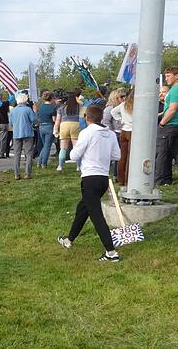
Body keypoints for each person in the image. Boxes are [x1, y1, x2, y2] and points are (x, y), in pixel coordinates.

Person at [57, 105, 122, 262]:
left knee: (96, 215)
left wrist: (74, 150)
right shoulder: (111, 134)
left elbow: (74, 155)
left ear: (87, 117)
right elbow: (117, 156)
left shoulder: (87, 132)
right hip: (102, 179)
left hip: (90, 178)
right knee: (83, 208)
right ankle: (69, 240)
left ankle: (111, 252)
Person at [10, 93, 38, 179]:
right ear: (25, 100)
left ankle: (16, 174)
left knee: (17, 154)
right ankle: (27, 173)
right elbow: (34, 120)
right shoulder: (28, 109)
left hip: (16, 134)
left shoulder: (13, 110)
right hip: (27, 133)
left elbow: (11, 123)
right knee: (29, 154)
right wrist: (35, 112)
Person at [111, 90, 134, 187]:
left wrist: (121, 120)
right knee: (130, 157)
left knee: (123, 156)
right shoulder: (137, 106)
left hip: (124, 131)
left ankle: (121, 179)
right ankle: (128, 179)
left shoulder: (123, 105)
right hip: (133, 131)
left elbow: (113, 112)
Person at [54, 88, 81, 171]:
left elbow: (57, 120)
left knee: (63, 148)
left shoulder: (62, 108)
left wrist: (56, 130)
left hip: (64, 126)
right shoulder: (79, 106)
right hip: (76, 125)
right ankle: (78, 166)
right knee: (76, 147)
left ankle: (60, 166)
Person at [36, 91, 57, 169]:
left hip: (41, 127)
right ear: (51, 98)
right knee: (47, 146)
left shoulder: (41, 107)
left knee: (44, 146)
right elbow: (54, 119)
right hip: (49, 126)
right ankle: (43, 163)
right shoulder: (52, 107)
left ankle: (39, 162)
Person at [0, 93, 12, 158]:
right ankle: (2, 153)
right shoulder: (5, 104)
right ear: (2, 98)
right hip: (4, 123)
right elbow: (11, 99)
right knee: (3, 139)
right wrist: (10, 92)